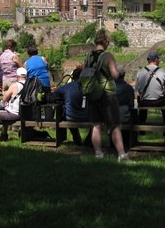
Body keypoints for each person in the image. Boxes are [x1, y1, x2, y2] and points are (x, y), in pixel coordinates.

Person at [87, 29, 131, 161]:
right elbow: (114, 75)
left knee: (96, 124)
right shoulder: (108, 56)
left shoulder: (89, 55)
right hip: (107, 93)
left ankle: (98, 153)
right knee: (115, 124)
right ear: (106, 41)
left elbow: (86, 70)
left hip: (93, 92)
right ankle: (121, 154)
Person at [0, 67, 27, 143]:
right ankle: (4, 134)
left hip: (14, 113)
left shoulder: (15, 85)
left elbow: (4, 98)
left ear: (17, 76)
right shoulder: (29, 85)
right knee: (4, 109)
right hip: (25, 112)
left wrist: (6, 94)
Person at [54, 66, 89, 146]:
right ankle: (88, 140)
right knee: (96, 120)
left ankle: (76, 135)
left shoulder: (67, 87)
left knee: (66, 112)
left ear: (72, 77)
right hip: (87, 116)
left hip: (71, 116)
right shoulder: (88, 87)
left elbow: (55, 91)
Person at [135, 51, 165, 125]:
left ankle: (142, 127)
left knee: (142, 109)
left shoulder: (140, 72)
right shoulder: (162, 71)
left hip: (144, 101)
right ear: (156, 59)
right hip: (159, 101)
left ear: (148, 60)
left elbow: (137, 90)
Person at [115, 65, 135, 148]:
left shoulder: (110, 88)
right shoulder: (129, 88)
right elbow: (131, 104)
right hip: (124, 115)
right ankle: (128, 141)